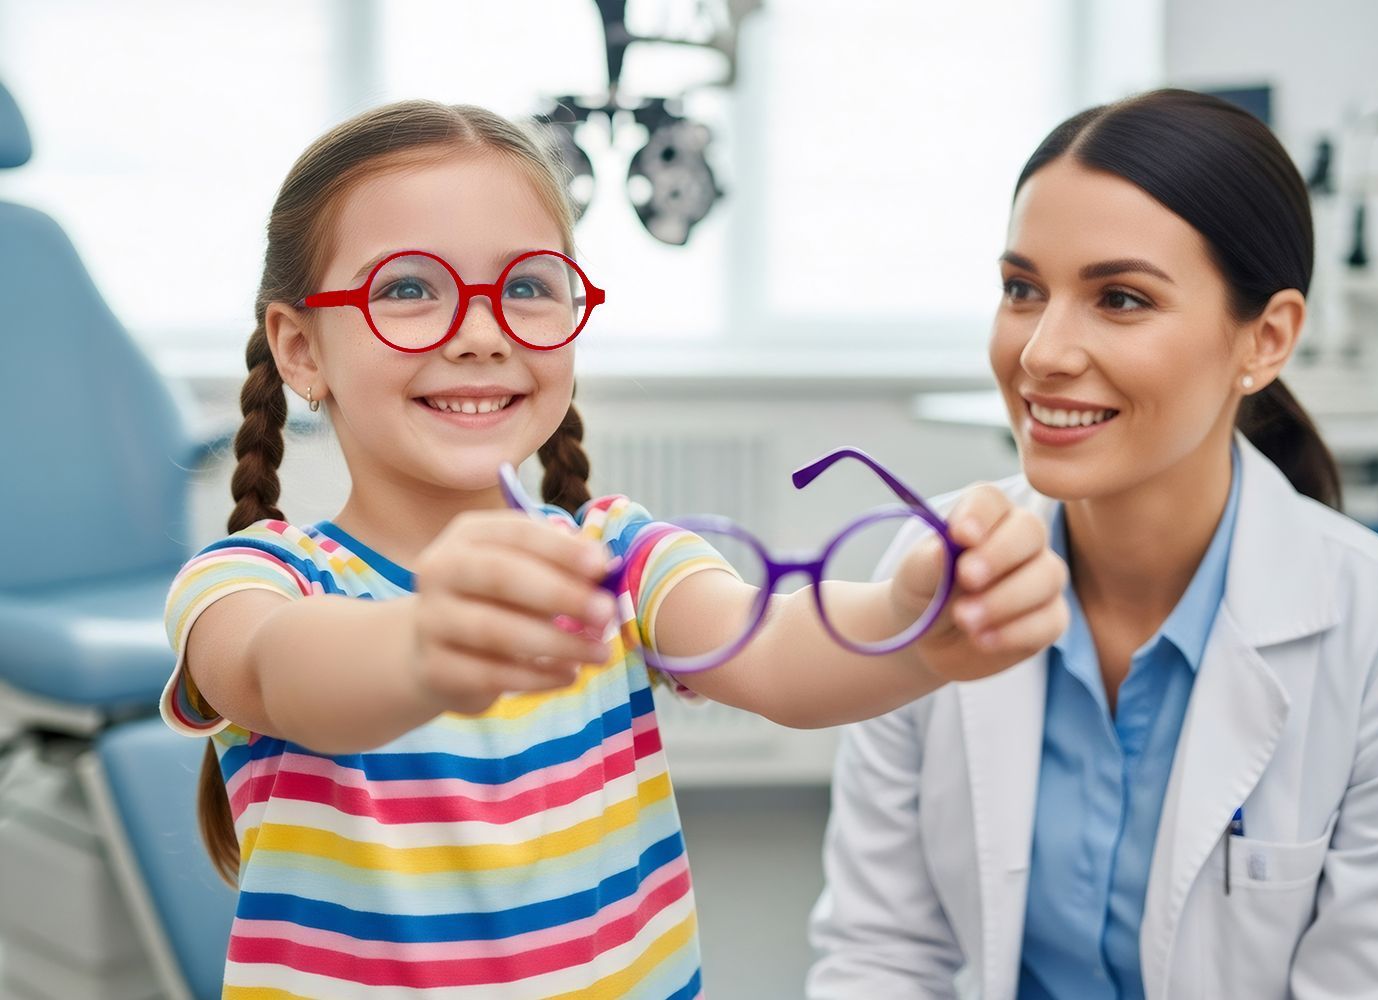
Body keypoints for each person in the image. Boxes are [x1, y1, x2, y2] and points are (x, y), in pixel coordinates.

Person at [158, 99, 1068, 998]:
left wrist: (916, 625)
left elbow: (782, 652)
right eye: (407, 288)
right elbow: (284, 675)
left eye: (524, 287)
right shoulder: (253, 582)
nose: (481, 335)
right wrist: (427, 644)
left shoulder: (618, 556)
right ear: (300, 347)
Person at [807, 88, 1378, 999]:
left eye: (1121, 298)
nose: (1042, 351)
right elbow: (880, 956)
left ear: (1267, 337)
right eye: (1022, 289)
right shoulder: (930, 574)